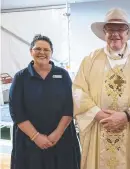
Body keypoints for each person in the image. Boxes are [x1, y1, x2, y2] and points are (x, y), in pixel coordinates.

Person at [73, 8, 130, 169]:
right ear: (104, 32)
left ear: (127, 32)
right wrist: (97, 113)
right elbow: (78, 90)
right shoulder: (90, 60)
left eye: (120, 29)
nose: (115, 34)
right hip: (100, 125)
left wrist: (126, 115)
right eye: (110, 29)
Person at [9, 34, 81, 169]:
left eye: (46, 50)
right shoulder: (20, 77)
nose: (42, 52)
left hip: (61, 138)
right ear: (31, 52)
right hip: (29, 140)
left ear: (51, 53)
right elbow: (16, 111)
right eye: (38, 49)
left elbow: (69, 106)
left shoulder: (62, 75)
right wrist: (36, 137)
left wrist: (56, 134)